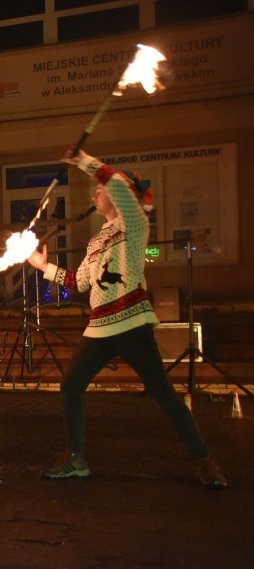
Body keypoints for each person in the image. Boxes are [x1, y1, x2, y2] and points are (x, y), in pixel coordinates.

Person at [26, 148, 227, 489]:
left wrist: (84, 161)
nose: (97, 192)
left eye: (100, 190)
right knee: (71, 385)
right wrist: (44, 266)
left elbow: (116, 182)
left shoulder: (134, 223)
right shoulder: (96, 240)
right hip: (99, 327)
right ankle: (76, 460)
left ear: (123, 196)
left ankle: (205, 459)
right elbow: (81, 282)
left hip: (131, 323)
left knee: (163, 394)